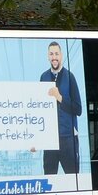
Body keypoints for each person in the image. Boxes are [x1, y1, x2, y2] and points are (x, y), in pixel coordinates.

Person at [40, 41, 83, 174]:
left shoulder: (70, 77)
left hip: (68, 139)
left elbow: (78, 109)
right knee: (49, 178)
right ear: (48, 56)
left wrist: (60, 98)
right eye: (51, 54)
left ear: (61, 55)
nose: (54, 57)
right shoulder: (43, 77)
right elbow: (39, 110)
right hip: (49, 140)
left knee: (72, 178)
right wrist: (36, 140)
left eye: (56, 54)